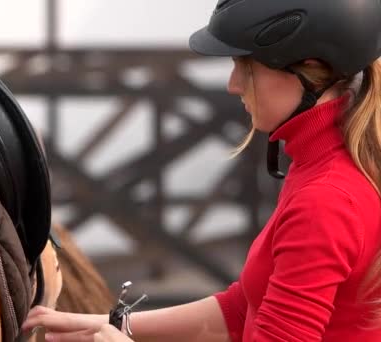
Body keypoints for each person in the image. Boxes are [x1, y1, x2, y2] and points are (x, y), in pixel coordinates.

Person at [22, 0, 381, 341]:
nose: (233, 84)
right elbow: (243, 310)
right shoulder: (323, 169)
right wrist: (109, 323)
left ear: (307, 69)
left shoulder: (326, 200)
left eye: (247, 67)